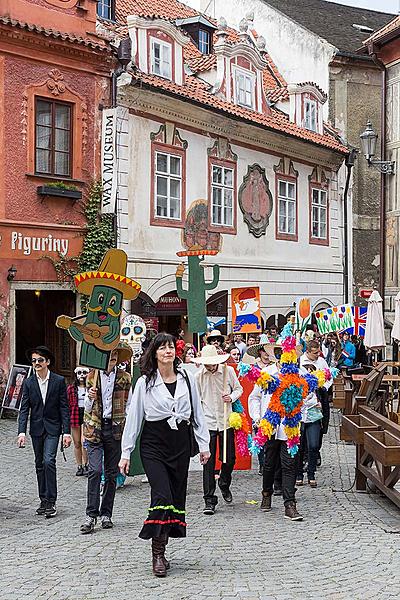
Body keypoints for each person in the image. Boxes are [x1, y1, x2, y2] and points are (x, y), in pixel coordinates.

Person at [119, 333, 210, 578]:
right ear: (155, 353)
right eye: (162, 348)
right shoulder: (145, 383)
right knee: (161, 495)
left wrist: (204, 445)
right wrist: (125, 453)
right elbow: (134, 418)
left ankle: (163, 548)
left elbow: (197, 413)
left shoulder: (187, 378)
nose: (167, 351)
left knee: (175, 498)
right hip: (153, 444)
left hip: (179, 444)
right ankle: (157, 555)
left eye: (171, 347)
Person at [80, 343, 133, 534]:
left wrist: (128, 432)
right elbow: (85, 408)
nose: (111, 359)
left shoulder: (125, 379)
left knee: (111, 474)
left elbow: (130, 406)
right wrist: (90, 396)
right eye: (107, 356)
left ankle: (106, 514)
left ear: (117, 359)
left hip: (115, 428)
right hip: (95, 427)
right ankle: (91, 514)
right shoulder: (92, 377)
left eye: (114, 356)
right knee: (94, 470)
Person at [17, 346, 71, 518]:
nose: (37, 363)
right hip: (37, 429)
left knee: (49, 461)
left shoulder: (58, 381)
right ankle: (43, 500)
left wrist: (67, 432)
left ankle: (52, 500)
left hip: (53, 428)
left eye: (40, 360)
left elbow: (64, 407)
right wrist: (21, 432)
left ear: (47, 362)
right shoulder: (29, 383)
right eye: (34, 361)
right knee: (39, 463)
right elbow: (24, 408)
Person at [248, 355, 303, 521]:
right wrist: (257, 417)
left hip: (289, 428)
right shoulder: (267, 372)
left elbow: (305, 397)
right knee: (269, 464)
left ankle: (289, 504)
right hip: (269, 425)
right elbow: (254, 397)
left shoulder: (297, 375)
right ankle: (266, 492)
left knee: (289, 464)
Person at [194, 345, 243, 515]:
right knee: (207, 462)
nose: (210, 367)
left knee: (229, 459)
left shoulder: (228, 371)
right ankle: (209, 500)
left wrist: (231, 396)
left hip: (225, 421)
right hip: (208, 423)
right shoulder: (198, 376)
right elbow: (196, 401)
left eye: (212, 364)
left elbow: (239, 389)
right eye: (207, 364)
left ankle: (224, 482)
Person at [300, 339, 332, 466]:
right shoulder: (300, 361)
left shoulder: (322, 361)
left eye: (319, 352)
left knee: (320, 425)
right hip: (304, 397)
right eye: (315, 353)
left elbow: (329, 377)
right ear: (307, 351)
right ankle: (305, 456)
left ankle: (315, 451)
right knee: (303, 429)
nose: (318, 355)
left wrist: (325, 386)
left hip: (320, 394)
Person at [296, 364, 323, 487]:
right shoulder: (295, 385)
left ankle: (311, 473)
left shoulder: (317, 387)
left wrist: (320, 404)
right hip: (299, 417)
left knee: (313, 445)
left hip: (314, 417)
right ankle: (299, 473)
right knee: (299, 447)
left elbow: (325, 401)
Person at [67, 366, 89, 476]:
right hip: (75, 415)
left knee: (84, 441)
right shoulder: (71, 388)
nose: (81, 375)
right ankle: (79, 466)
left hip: (86, 415)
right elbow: (67, 404)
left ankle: (87, 465)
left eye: (84, 373)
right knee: (77, 443)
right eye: (79, 372)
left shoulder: (90, 387)